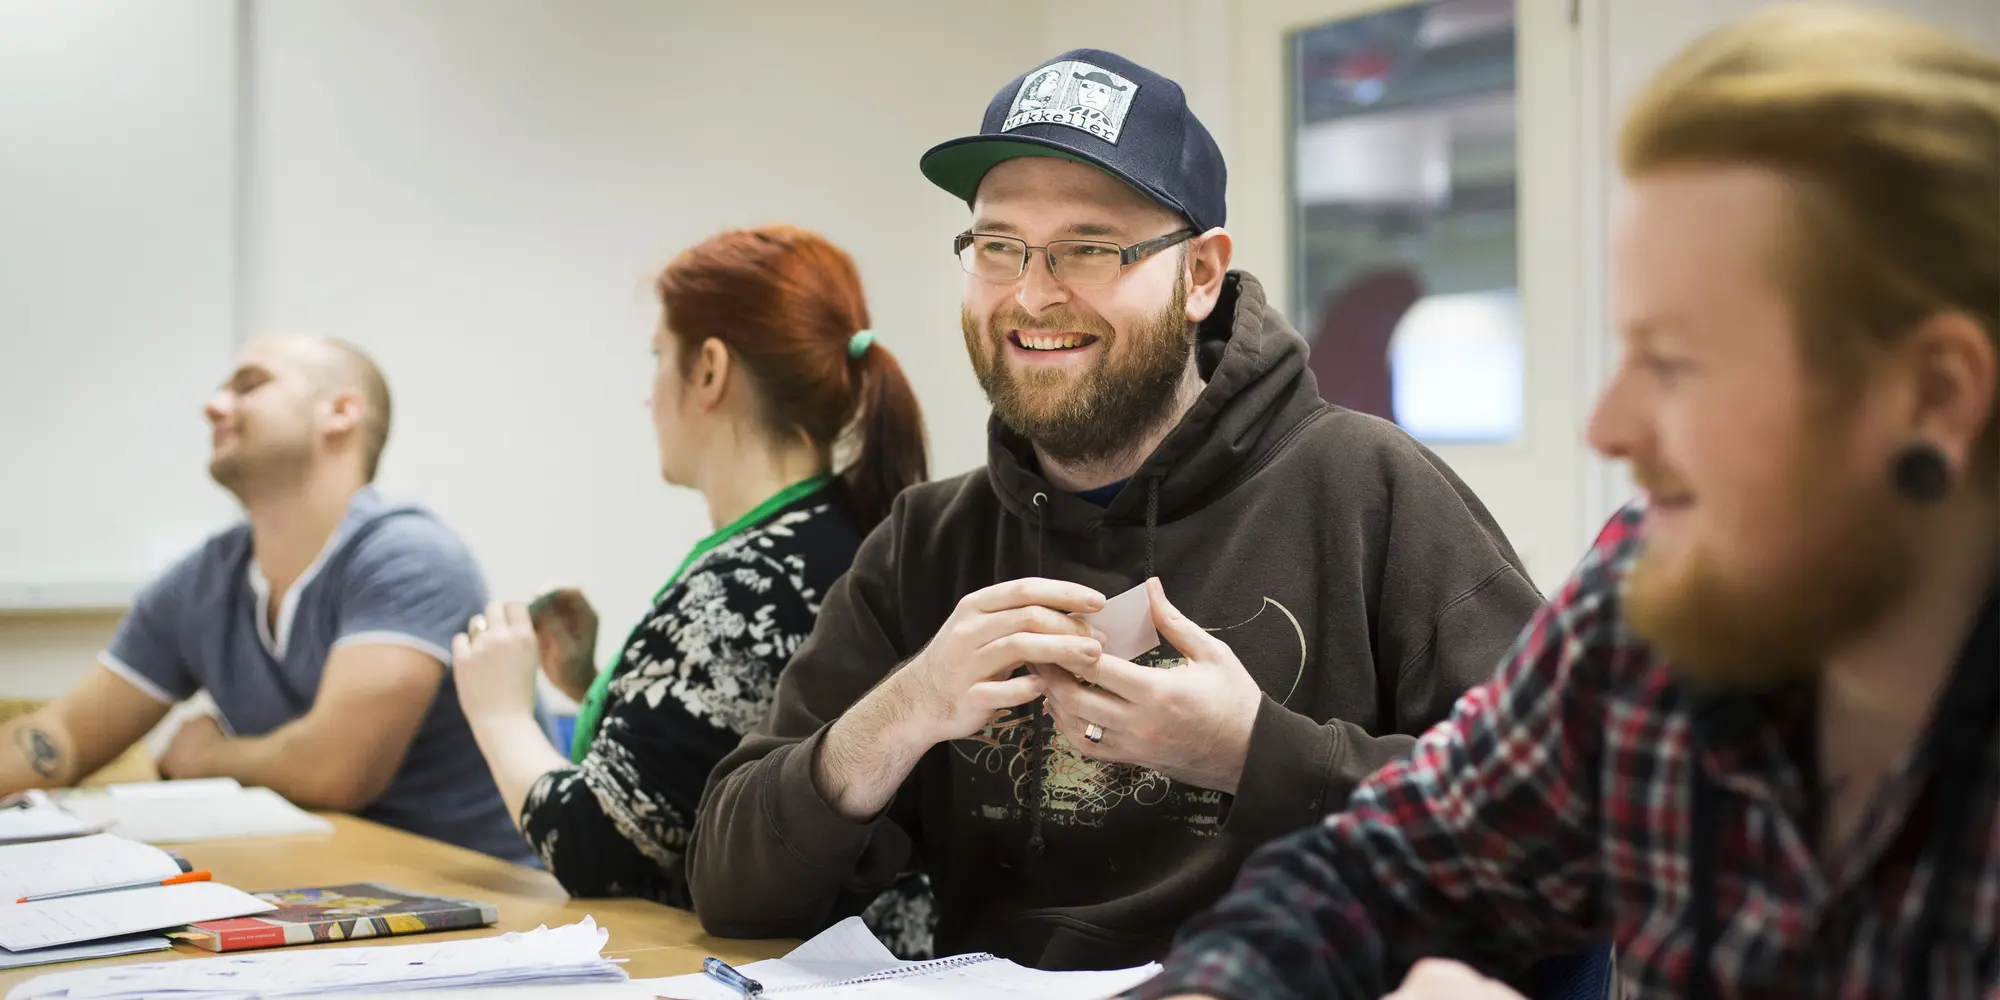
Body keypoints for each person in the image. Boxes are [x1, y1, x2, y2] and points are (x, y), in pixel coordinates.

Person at [1132, 5, 2000, 998]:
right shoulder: (1652, 602)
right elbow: (1388, 862)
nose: (1606, 425)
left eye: (1676, 363)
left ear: (1931, 395)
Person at [685, 49, 1542, 970]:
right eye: (999, 246)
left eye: (1090, 247)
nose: (1032, 292)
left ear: (1202, 276)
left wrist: (1254, 754)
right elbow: (731, 891)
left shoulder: (1370, 491)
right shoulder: (927, 546)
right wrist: (906, 711)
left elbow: (1552, 821)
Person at [447, 226, 938, 954]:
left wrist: (499, 712)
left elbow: (601, 848)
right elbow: (696, 772)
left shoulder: (746, 585)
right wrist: (594, 688)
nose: (649, 398)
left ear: (708, 369)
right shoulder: (836, 537)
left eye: (658, 359)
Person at [0, 334, 530, 863]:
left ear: (341, 411)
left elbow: (335, 770)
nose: (213, 407)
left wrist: (207, 758)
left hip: (493, 901)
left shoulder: (409, 555)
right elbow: (63, 734)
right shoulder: (203, 580)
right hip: (329, 884)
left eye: (249, 385)